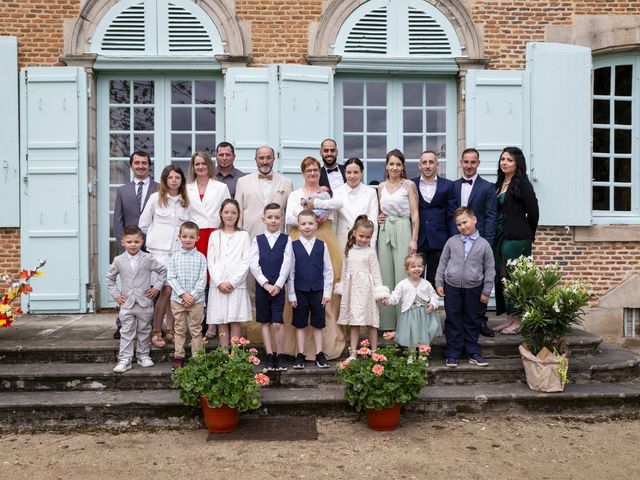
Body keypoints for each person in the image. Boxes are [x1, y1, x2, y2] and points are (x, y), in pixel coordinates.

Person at [284, 156, 345, 360]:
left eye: (315, 170)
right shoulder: (295, 194)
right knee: (299, 285)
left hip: (324, 238)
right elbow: (289, 217)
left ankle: (325, 345)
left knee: (325, 286)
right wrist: (307, 217)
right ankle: (299, 348)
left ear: (319, 172)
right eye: (308, 170)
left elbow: (336, 209)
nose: (312, 173)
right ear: (302, 173)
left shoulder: (326, 192)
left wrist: (322, 211)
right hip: (300, 236)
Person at [435, 207, 495, 368]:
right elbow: (443, 263)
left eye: (465, 222)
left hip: (474, 288)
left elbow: (489, 270)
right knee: (453, 319)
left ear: (474, 219)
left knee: (472, 320)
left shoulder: (484, 245)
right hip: (452, 286)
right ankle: (452, 352)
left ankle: (473, 351)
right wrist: (439, 283)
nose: (462, 226)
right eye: (459, 224)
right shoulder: (452, 242)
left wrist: (486, 291)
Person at [139, 165, 191, 349]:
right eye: (171, 177)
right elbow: (143, 224)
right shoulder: (155, 199)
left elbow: (189, 227)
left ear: (181, 181)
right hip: (159, 254)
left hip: (177, 254)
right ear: (165, 180)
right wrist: (155, 240)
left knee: (173, 292)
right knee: (163, 292)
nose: (174, 180)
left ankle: (171, 330)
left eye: (178, 177)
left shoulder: (185, 201)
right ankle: (156, 331)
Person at [105, 226, 167, 373]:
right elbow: (109, 279)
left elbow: (163, 271)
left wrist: (156, 288)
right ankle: (125, 359)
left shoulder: (148, 258)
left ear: (141, 242)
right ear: (123, 242)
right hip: (127, 303)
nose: (133, 244)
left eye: (136, 241)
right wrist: (116, 295)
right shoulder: (119, 260)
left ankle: (143, 355)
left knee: (144, 330)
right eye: (129, 241)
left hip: (144, 302)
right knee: (126, 330)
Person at [492, 146, 539, 335]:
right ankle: (509, 318)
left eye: (509, 160)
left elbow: (534, 212)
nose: (505, 162)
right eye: (503, 159)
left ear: (517, 163)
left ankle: (519, 320)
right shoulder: (500, 183)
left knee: (515, 277)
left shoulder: (523, 184)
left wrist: (527, 233)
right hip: (500, 235)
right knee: (502, 276)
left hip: (517, 238)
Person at [112, 150, 158, 339]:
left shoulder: (159, 188)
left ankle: (151, 323)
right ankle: (122, 322)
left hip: (152, 245)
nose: (141, 166)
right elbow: (118, 220)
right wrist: (124, 247)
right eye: (137, 163)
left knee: (151, 285)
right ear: (131, 166)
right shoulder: (123, 190)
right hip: (130, 246)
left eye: (144, 163)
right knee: (128, 286)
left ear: (149, 165)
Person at [185, 150, 230, 339]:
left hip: (214, 234)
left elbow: (228, 209)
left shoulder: (220, 187)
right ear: (193, 167)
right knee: (198, 278)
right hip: (196, 236)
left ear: (209, 166)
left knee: (214, 278)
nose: (201, 167)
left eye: (204, 163)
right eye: (197, 164)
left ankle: (212, 323)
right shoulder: (187, 188)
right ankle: (196, 322)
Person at [453, 148, 497, 338]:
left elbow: (491, 216)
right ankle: (457, 322)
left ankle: (480, 321)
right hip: (458, 240)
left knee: (479, 280)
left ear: (478, 163)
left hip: (479, 240)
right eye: (466, 162)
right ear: (461, 163)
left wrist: (486, 242)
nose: (469, 166)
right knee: (458, 280)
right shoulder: (453, 186)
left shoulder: (487, 187)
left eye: (473, 162)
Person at [377, 149, 420, 331]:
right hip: (385, 230)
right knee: (385, 274)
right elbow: (380, 210)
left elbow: (415, 214)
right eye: (391, 164)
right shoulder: (380, 187)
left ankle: (405, 323)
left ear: (403, 167)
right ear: (386, 166)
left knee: (403, 275)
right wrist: (378, 218)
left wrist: (414, 239)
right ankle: (387, 324)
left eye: (398, 164)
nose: (394, 167)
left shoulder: (408, 185)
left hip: (403, 228)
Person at [335, 215, 388, 355]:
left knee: (371, 322)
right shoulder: (348, 251)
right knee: (354, 322)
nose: (364, 239)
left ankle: (375, 351)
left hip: (368, 291)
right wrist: (342, 291)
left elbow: (376, 273)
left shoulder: (371, 252)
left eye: (367, 237)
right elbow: (345, 272)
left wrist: (380, 293)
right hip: (353, 291)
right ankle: (353, 352)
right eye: (361, 236)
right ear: (354, 233)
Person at [288, 209, 334, 369]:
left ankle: (319, 354)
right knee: (300, 324)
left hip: (318, 291)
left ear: (316, 225)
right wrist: (292, 294)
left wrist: (327, 292)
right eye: (303, 224)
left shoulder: (322, 245)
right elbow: (291, 272)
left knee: (318, 323)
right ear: (299, 226)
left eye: (310, 223)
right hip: (299, 291)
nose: (307, 226)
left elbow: (328, 270)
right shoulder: (292, 246)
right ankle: (300, 354)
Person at [249, 203, 292, 372]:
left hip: (278, 288)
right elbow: (253, 264)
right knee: (265, 322)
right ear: (264, 219)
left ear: (282, 219)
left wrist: (278, 284)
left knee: (277, 322)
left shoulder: (286, 239)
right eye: (270, 217)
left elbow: (287, 263)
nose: (273, 220)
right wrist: (264, 283)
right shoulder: (257, 240)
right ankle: (269, 354)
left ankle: (280, 354)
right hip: (262, 288)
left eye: (277, 217)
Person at [206, 199, 252, 346]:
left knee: (234, 318)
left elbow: (246, 261)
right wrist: (219, 282)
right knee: (221, 319)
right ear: (221, 214)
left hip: (236, 285)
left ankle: (235, 355)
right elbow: (211, 261)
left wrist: (233, 282)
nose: (229, 215)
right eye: (226, 212)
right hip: (218, 284)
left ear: (238, 215)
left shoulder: (243, 235)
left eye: (233, 212)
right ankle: (224, 353)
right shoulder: (215, 235)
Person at [412, 150, 457, 288]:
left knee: (435, 281)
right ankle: (417, 310)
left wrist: (453, 239)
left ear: (437, 164)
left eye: (431, 162)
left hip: (439, 240)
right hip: (418, 240)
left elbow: (452, 215)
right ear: (419, 165)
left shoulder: (448, 185)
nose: (427, 165)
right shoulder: (411, 184)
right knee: (415, 280)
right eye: (424, 162)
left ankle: (432, 308)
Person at [167, 221, 207, 371]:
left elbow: (202, 280)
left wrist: (192, 296)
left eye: (191, 237)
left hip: (196, 301)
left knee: (196, 329)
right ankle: (179, 356)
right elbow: (171, 278)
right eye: (184, 236)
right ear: (179, 237)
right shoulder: (174, 257)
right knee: (179, 329)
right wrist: (183, 294)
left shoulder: (201, 258)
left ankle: (197, 357)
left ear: (197, 238)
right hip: (178, 300)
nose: (187, 239)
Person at [383, 253, 442, 348]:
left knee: (423, 334)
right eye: (413, 266)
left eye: (419, 266)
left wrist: (433, 304)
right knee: (411, 335)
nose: (416, 268)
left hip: (424, 314)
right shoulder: (402, 284)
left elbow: (434, 296)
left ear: (423, 268)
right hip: (409, 315)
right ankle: (412, 355)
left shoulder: (426, 284)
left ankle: (423, 355)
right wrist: (388, 301)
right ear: (407, 269)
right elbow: (395, 296)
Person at [236, 145, 293, 239]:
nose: (265, 162)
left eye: (268, 158)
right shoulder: (242, 182)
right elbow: (238, 213)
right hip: (250, 235)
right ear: (256, 159)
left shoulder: (286, 182)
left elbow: (289, 214)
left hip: (278, 237)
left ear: (274, 159)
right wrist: (238, 237)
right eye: (261, 158)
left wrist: (289, 238)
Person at [333, 157, 379, 248]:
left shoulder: (371, 192)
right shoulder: (336, 193)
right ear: (344, 173)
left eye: (356, 172)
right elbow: (334, 222)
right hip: (342, 242)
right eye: (349, 172)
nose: (352, 176)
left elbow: (373, 222)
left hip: (364, 242)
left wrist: (371, 246)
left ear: (361, 173)